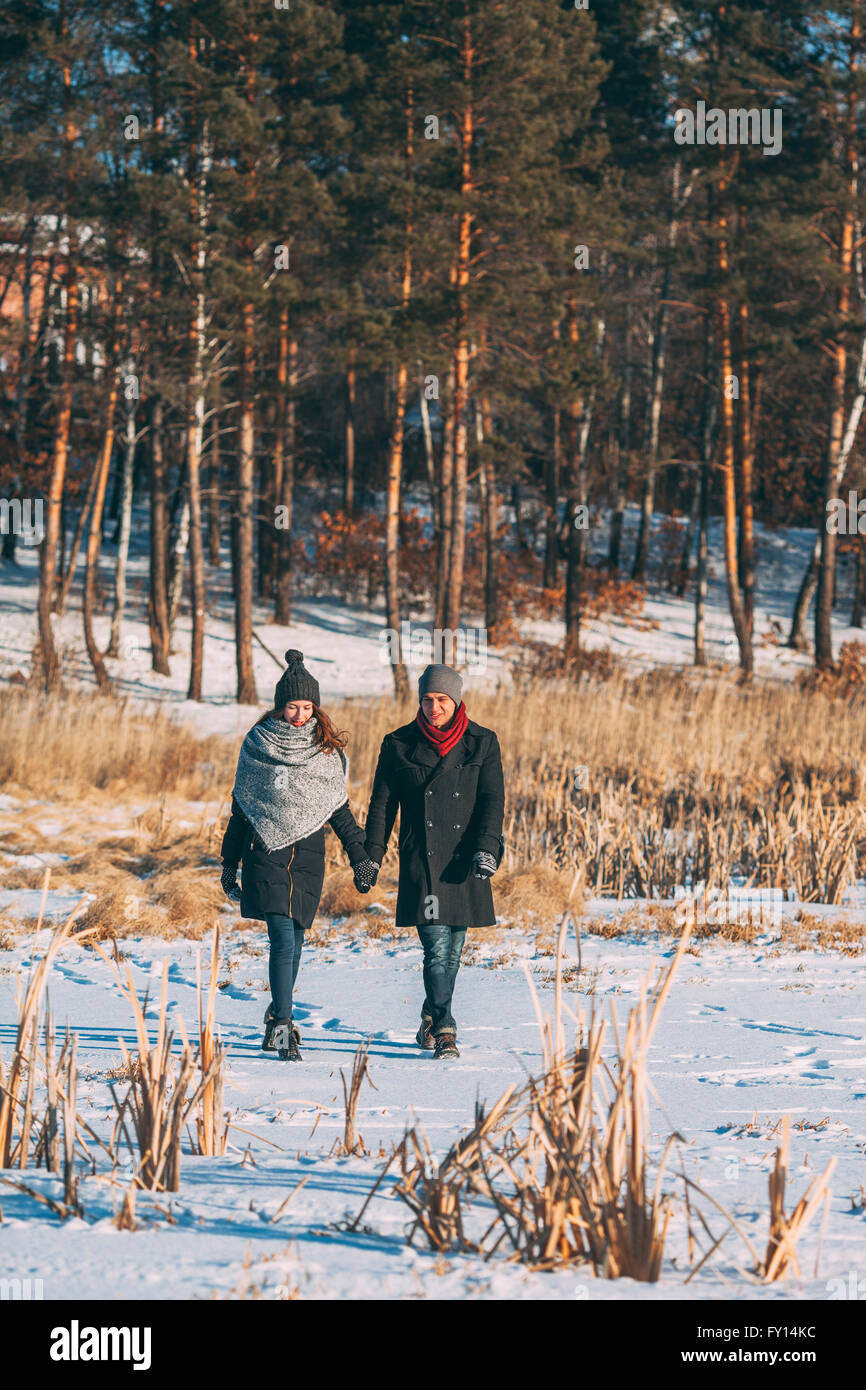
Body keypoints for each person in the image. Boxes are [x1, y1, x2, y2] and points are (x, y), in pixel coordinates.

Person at [220, 650, 379, 1060]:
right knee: (281, 941)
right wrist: (228, 863)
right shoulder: (257, 744)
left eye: (308, 707)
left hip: (308, 855)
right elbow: (241, 807)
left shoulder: (324, 752)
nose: (300, 715)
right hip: (265, 850)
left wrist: (360, 856)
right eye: (293, 706)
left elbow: (340, 812)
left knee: (297, 939)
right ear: (279, 705)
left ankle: (277, 1011)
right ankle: (284, 1027)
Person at [364, 663, 505, 1059]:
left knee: (454, 949)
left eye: (442, 699)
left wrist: (488, 848)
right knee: (437, 948)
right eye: (427, 699)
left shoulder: (483, 742)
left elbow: (493, 802)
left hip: (464, 861)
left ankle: (430, 1011)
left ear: (456, 700)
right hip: (421, 860)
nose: (433, 707)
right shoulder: (398, 744)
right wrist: (370, 857)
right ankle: (445, 1028)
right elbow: (382, 805)